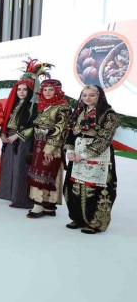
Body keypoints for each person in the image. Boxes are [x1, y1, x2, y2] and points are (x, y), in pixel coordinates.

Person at [62, 85, 118, 234]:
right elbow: (70, 132)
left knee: (96, 189)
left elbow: (105, 138)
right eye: (84, 95)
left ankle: (95, 223)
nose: (87, 98)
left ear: (99, 96)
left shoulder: (109, 114)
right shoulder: (79, 112)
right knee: (73, 186)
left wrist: (84, 154)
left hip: (98, 155)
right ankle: (78, 218)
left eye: (91, 95)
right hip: (77, 154)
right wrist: (70, 151)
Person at [27, 78, 71, 218]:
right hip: (39, 143)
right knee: (41, 171)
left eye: (51, 90)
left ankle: (38, 205)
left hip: (51, 145)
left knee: (47, 172)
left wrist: (50, 148)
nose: (47, 92)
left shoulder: (63, 107)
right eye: (45, 90)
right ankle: (49, 206)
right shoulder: (44, 105)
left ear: (57, 91)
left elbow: (61, 129)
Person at [0, 75, 37, 209]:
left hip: (22, 140)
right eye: (19, 89)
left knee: (20, 168)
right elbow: (6, 122)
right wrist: (3, 133)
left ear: (30, 91)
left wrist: (17, 136)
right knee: (8, 166)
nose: (21, 92)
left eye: (25, 89)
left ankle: (21, 200)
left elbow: (34, 126)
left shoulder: (33, 106)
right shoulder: (13, 104)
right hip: (9, 138)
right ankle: (10, 195)